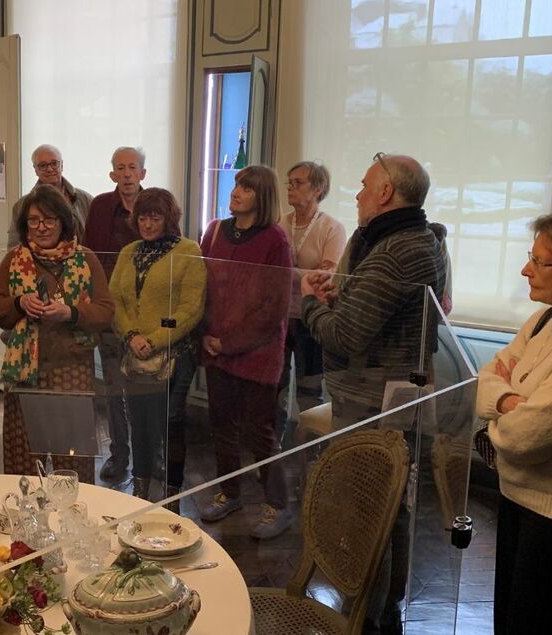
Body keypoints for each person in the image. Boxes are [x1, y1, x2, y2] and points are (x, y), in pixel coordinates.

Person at [301, 153, 448, 634]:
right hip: (376, 393)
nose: (359, 194)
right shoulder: (396, 240)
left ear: (386, 194)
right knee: (381, 509)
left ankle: (372, 617)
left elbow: (345, 337)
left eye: (365, 186)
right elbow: (365, 314)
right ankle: (376, 609)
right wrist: (337, 299)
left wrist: (308, 302)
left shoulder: (399, 248)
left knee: (370, 511)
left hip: (374, 400)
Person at [0, 184, 114, 484]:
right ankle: (27, 523)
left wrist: (72, 313)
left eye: (49, 220)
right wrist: (19, 303)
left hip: (72, 371)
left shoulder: (85, 258)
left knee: (74, 462)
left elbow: (106, 312)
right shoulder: (14, 259)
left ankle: (73, 522)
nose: (41, 227)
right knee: (23, 460)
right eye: (33, 220)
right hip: (24, 375)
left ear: (63, 222)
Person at [475, 211, 552, 635]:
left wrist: (502, 412)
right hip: (513, 497)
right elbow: (484, 378)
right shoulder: (546, 319)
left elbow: (528, 439)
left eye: (540, 262)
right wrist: (511, 400)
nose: (526, 269)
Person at [198, 165, 293, 538]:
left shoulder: (275, 240)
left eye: (246, 188)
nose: (236, 192)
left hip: (257, 352)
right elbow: (200, 285)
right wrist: (207, 333)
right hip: (215, 345)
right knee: (222, 426)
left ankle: (277, 505)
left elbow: (275, 305)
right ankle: (230, 491)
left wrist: (231, 341)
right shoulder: (215, 230)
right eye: (236, 184)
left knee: (259, 432)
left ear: (263, 196)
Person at [109, 188, 206, 504]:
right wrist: (131, 337)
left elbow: (191, 308)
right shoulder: (128, 251)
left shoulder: (188, 251)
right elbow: (116, 301)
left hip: (176, 356)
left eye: (155, 216)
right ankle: (139, 490)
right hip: (135, 354)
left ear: (169, 218)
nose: (148, 224)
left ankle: (172, 495)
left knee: (171, 424)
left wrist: (153, 339)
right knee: (140, 424)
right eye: (142, 217)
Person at [82, 146, 147, 480]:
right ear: (112, 174)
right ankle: (119, 455)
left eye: (132, 168)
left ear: (142, 174)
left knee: (144, 389)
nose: (126, 174)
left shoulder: (156, 205)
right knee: (113, 387)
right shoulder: (100, 206)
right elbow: (89, 257)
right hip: (109, 312)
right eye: (120, 168)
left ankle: (149, 459)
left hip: (146, 315)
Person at [276, 161, 345, 446]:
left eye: (298, 182)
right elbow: (269, 268)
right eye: (289, 182)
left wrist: (288, 271)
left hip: (310, 319)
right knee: (276, 385)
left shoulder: (331, 228)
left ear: (318, 189)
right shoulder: (281, 223)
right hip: (280, 317)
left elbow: (326, 275)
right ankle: (271, 448)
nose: (290, 188)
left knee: (309, 389)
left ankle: (311, 451)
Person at [7, 144, 92, 248]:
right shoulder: (22, 205)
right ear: (35, 169)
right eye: (43, 165)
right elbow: (14, 246)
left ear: (62, 165)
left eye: (54, 163)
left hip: (80, 261)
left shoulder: (85, 199)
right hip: (35, 263)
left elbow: (97, 237)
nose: (50, 169)